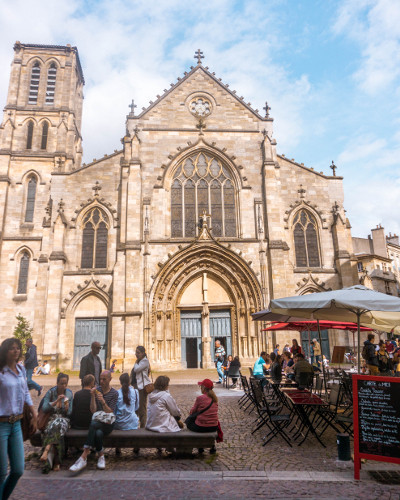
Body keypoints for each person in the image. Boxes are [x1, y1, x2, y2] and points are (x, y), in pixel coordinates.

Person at [0, 338, 37, 499]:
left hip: (16, 424)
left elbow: (25, 393)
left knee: (18, 470)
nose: (15, 351)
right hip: (1, 424)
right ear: (4, 351)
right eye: (11, 348)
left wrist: (34, 413)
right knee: (1, 472)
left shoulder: (21, 370)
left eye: (17, 348)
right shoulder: (1, 371)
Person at [69, 370, 118, 472]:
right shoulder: (97, 390)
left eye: (104, 379)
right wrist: (92, 397)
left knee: (94, 424)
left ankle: (84, 456)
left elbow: (110, 412)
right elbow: (93, 410)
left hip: (109, 423)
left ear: (110, 379)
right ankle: (101, 457)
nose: (101, 381)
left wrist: (103, 402)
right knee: (98, 433)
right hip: (98, 423)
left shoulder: (114, 393)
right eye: (100, 379)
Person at [39, 373, 73, 472]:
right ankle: (57, 461)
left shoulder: (69, 394)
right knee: (57, 428)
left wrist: (66, 409)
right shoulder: (51, 393)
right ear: (57, 383)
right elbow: (44, 408)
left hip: (64, 420)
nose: (64, 386)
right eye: (62, 383)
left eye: (65, 383)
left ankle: (46, 451)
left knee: (59, 422)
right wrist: (55, 401)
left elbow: (70, 413)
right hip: (51, 420)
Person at [187, 379, 218, 454]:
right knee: (202, 422)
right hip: (214, 426)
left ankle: (200, 446)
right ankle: (212, 445)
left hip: (201, 426)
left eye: (201, 386)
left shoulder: (200, 398)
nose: (200, 388)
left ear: (203, 388)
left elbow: (192, 412)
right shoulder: (215, 398)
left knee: (189, 423)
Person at [130, 346, 151, 429]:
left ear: (143, 353)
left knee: (142, 407)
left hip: (142, 387)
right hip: (136, 386)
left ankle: (142, 426)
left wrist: (136, 362)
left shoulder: (144, 361)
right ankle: (135, 424)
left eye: (138, 353)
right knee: (135, 406)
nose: (136, 354)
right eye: (136, 352)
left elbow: (136, 370)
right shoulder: (139, 361)